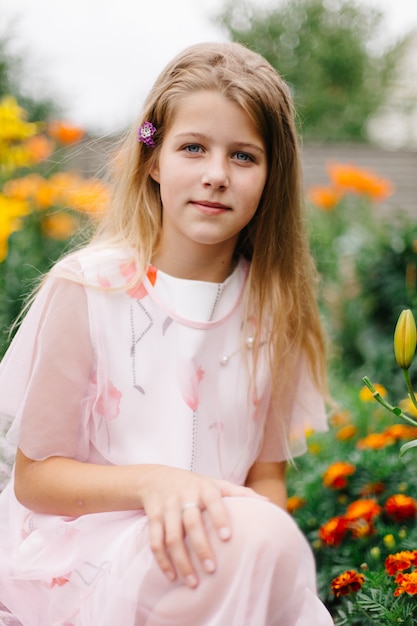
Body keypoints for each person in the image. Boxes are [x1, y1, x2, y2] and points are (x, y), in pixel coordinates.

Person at [0, 42, 333, 625]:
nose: (215, 176)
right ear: (154, 159)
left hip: (221, 544)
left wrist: (244, 545)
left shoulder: (275, 309)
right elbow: (35, 478)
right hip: (96, 554)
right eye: (193, 148)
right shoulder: (91, 289)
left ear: (272, 174)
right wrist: (157, 484)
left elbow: (266, 479)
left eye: (244, 156)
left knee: (268, 546)